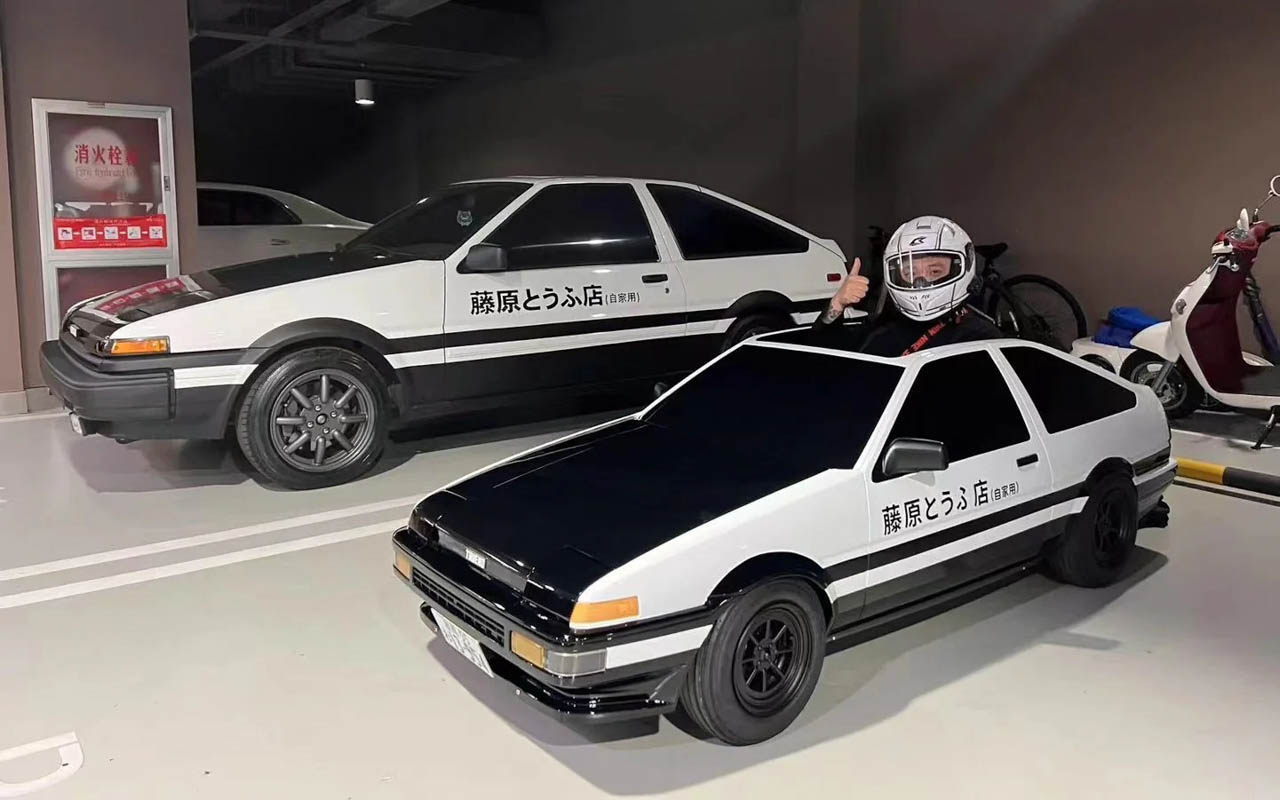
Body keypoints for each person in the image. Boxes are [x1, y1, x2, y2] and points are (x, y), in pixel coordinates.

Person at [814, 215, 1001, 356]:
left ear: (962, 267)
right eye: (910, 273)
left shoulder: (982, 340)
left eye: (935, 271)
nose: (920, 282)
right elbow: (824, 357)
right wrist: (837, 304)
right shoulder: (885, 327)